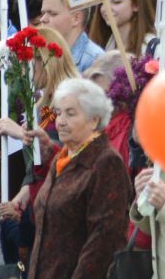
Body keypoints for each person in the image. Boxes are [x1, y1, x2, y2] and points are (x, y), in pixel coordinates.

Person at [28, 77, 130, 279]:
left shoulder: (106, 163)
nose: (61, 121)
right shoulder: (62, 157)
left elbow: (103, 240)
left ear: (94, 120)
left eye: (70, 113)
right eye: (58, 113)